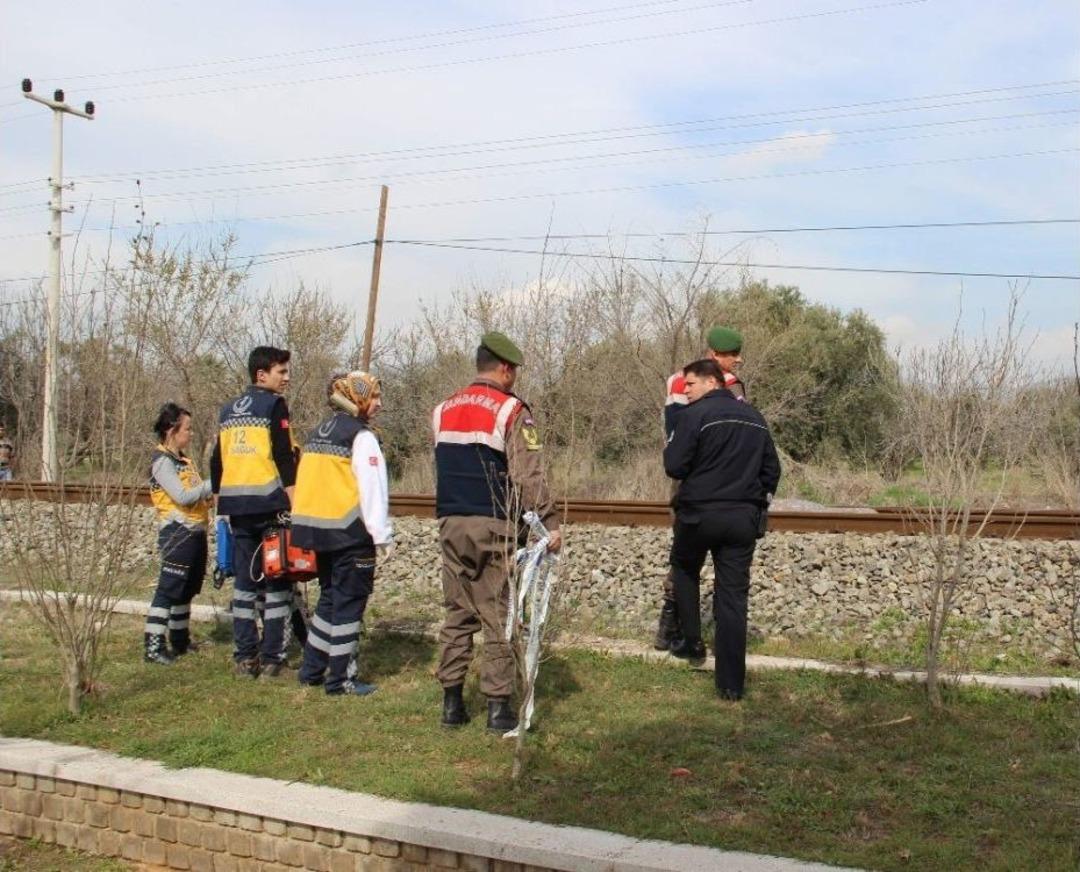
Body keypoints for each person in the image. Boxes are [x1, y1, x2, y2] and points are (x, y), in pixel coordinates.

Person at [433, 331, 562, 731]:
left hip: (451, 522)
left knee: (457, 613)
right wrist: (549, 523)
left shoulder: (443, 408)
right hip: (494, 524)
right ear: (505, 369)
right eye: (515, 371)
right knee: (499, 614)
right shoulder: (511, 410)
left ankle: (451, 703)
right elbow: (527, 475)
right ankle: (497, 707)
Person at [663, 358, 781, 701]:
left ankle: (692, 642)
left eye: (690, 384)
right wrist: (757, 502)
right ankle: (731, 684)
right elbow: (772, 470)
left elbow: (674, 466)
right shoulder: (755, 417)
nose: (685, 391)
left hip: (698, 516)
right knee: (733, 597)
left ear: (712, 382)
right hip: (742, 519)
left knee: (684, 568)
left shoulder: (692, 416)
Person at [292, 370, 392, 697]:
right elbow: (372, 490)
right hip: (350, 534)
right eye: (373, 396)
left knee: (329, 600)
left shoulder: (318, 432)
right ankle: (340, 679)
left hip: (320, 533)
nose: (378, 403)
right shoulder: (361, 437)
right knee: (350, 606)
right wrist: (382, 535)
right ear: (355, 397)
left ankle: (311, 670)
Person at [655, 326, 747, 651]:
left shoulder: (676, 380)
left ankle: (670, 627)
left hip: (684, 477)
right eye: (732, 355)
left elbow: (675, 432)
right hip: (717, 479)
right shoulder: (730, 385)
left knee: (684, 555)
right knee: (721, 558)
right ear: (713, 355)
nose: (738, 360)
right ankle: (720, 632)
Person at [210, 346, 298, 679]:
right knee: (276, 582)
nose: (286, 378)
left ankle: (245, 658)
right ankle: (274, 659)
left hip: (236, 507)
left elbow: (216, 461)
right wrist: (294, 502)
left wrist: (219, 504)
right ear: (262, 375)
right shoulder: (274, 405)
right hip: (269, 505)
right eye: (281, 372)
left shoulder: (227, 410)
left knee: (245, 584)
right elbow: (283, 456)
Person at [145, 403, 213, 664]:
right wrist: (215, 482)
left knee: (187, 589)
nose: (191, 433)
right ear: (171, 430)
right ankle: (153, 647)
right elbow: (182, 496)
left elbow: (197, 492)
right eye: (187, 429)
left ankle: (180, 640)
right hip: (177, 533)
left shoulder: (184, 461)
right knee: (169, 589)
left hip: (195, 532)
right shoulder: (162, 462)